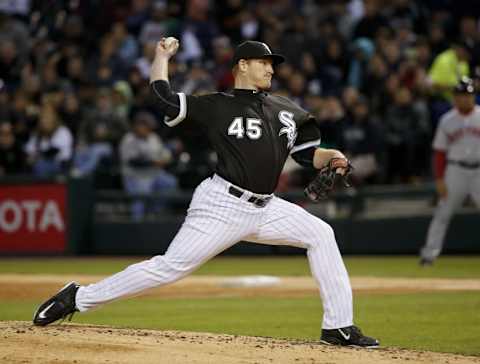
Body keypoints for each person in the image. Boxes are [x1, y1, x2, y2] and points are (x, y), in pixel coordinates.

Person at [33, 38, 379, 348]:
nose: (271, 69)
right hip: (222, 205)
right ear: (242, 65)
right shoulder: (217, 105)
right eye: (264, 62)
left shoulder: (284, 109)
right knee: (169, 268)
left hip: (268, 208)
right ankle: (78, 297)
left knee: (321, 234)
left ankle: (339, 327)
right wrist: (161, 57)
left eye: (272, 64)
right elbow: (164, 98)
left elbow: (305, 155)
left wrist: (332, 156)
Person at [420, 77, 480, 266]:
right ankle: (429, 254)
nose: (464, 98)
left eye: (468, 95)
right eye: (461, 95)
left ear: (473, 96)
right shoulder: (447, 120)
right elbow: (439, 152)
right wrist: (439, 178)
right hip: (455, 171)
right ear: (455, 98)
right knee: (443, 213)